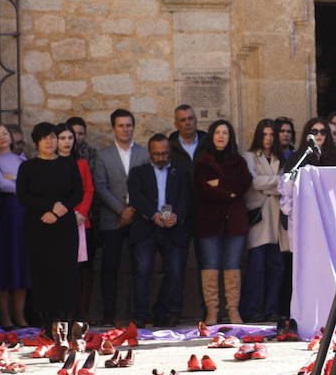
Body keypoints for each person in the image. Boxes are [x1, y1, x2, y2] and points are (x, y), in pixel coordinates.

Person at [17, 122, 84, 337]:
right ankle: (47, 322)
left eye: (53, 137)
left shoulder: (69, 164)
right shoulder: (28, 167)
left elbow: (77, 192)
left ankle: (67, 319)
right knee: (42, 273)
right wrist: (47, 208)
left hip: (64, 226)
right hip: (39, 226)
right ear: (37, 141)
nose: (50, 141)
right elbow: (23, 196)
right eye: (45, 138)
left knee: (66, 273)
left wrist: (59, 210)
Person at [127, 134, 192, 327]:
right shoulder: (139, 172)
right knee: (143, 270)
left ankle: (165, 312)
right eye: (157, 154)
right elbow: (136, 196)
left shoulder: (180, 172)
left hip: (172, 228)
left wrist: (177, 216)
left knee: (175, 270)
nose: (161, 157)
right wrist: (151, 213)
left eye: (164, 153)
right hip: (147, 227)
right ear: (150, 153)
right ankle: (141, 315)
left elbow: (186, 197)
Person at [91, 109, 147, 325]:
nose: (125, 129)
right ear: (113, 128)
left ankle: (136, 315)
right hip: (112, 220)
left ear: (134, 126)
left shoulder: (143, 154)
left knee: (139, 268)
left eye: (129, 125)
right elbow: (101, 187)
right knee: (109, 269)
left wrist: (132, 209)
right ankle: (109, 314)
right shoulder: (103, 155)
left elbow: (146, 186)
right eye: (121, 125)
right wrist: (120, 210)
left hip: (138, 219)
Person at [193, 119, 251, 324]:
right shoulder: (201, 161)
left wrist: (220, 184)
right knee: (210, 264)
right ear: (211, 135)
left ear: (230, 137)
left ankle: (233, 310)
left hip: (234, 221)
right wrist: (229, 192)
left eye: (225, 132)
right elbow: (202, 189)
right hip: (208, 221)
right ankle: (213, 311)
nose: (221, 136)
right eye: (217, 132)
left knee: (233, 264)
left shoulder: (239, 161)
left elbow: (244, 183)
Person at [243, 119, 290, 322]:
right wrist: (279, 181)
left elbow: (284, 187)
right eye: (265, 134)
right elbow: (254, 182)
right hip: (260, 218)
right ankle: (252, 309)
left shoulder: (280, 157)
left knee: (276, 267)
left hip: (277, 220)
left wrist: (270, 185)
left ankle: (271, 308)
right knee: (256, 267)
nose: (269, 138)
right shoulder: (250, 156)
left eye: (272, 135)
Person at [0, 123, 27, 330]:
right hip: (5, 214)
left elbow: (30, 184)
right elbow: (2, 185)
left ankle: (20, 316)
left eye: (4, 133)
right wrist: (19, 182)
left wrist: (16, 180)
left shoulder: (22, 159)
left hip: (22, 214)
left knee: (21, 263)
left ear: (11, 136)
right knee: (4, 264)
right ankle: (5, 316)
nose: (1, 137)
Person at [57, 125, 95, 290]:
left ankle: (77, 311)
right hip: (59, 221)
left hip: (80, 220)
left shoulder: (82, 164)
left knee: (79, 268)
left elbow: (88, 189)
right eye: (62, 138)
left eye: (70, 138)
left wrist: (82, 213)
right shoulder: (51, 164)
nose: (67, 142)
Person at [170, 104, 207, 172]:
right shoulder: (169, 148)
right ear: (176, 125)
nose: (187, 123)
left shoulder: (208, 144)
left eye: (190, 118)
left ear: (196, 120)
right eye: (183, 120)